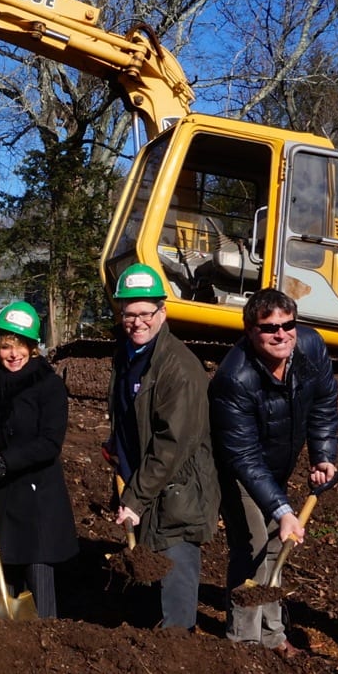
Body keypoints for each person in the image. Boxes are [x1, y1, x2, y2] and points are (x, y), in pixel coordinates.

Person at [210, 288, 338, 657]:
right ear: (250, 331)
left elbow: (325, 401)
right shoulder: (235, 378)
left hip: (278, 462)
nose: (281, 334)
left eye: (288, 325)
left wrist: (323, 454)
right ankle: (244, 642)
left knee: (274, 546)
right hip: (238, 467)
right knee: (252, 546)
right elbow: (244, 455)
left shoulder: (310, 347)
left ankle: (273, 633)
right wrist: (282, 510)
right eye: (269, 328)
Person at [105, 264, 218, 631]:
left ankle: (177, 647)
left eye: (145, 313)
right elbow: (127, 414)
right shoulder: (128, 356)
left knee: (175, 564)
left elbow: (172, 445)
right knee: (150, 563)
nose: (137, 322)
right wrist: (116, 450)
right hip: (146, 479)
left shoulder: (180, 369)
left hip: (177, 487)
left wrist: (135, 498)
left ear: (162, 312)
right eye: (129, 314)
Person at [0, 302, 77, 619]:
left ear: (33, 347)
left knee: (37, 568)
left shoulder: (48, 385)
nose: (13, 354)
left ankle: (46, 632)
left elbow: (50, 443)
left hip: (38, 494)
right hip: (3, 492)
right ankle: (7, 635)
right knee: (4, 560)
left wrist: (7, 460)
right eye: (7, 345)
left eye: (21, 345)